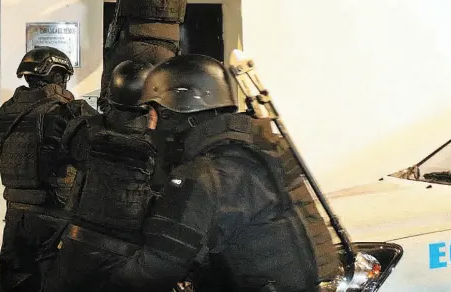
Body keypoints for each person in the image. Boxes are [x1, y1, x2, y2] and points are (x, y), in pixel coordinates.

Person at [99, 54, 340, 292]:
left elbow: (156, 269)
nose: (150, 125)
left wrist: (103, 281)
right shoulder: (265, 147)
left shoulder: (204, 176)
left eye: (153, 114)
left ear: (172, 114)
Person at [42, 60, 159, 292]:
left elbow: (63, 159)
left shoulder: (85, 129)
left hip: (78, 246)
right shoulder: (160, 142)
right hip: (130, 256)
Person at [0, 46, 95, 292]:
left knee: (16, 282)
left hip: (16, 215)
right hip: (53, 215)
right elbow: (92, 154)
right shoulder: (65, 111)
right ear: (57, 75)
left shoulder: (7, 110)